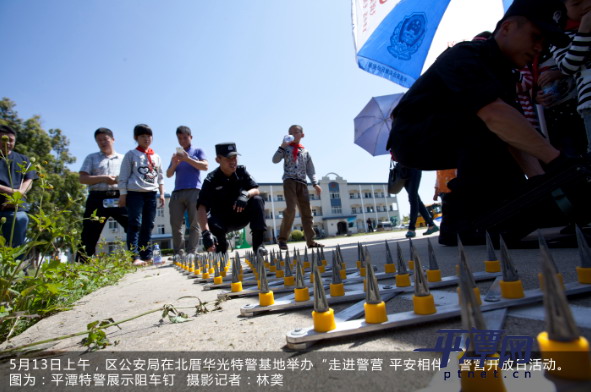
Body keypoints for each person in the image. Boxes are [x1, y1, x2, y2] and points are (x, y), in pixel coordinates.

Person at [386, 0, 583, 246]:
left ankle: (495, 215)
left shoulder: (505, 73)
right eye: (535, 36)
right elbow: (494, 116)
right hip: (413, 138)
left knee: (507, 140)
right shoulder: (467, 54)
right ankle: (459, 222)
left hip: (455, 132)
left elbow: (517, 135)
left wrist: (545, 185)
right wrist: (560, 163)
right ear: (508, 27)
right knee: (491, 124)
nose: (539, 47)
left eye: (544, 42)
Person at [197, 143, 267, 255]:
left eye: (235, 157)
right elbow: (201, 207)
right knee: (210, 221)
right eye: (228, 158)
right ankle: (221, 248)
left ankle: (258, 246)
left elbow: (256, 189)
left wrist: (245, 195)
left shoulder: (241, 171)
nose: (233, 161)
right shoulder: (211, 179)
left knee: (257, 200)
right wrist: (205, 233)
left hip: (241, 215)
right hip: (222, 222)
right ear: (218, 159)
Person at [77, 128, 128, 262]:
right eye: (99, 140)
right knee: (89, 232)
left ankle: (140, 256)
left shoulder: (124, 159)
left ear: (112, 139)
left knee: (133, 225)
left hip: (120, 196)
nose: (102, 142)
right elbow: (82, 179)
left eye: (105, 139)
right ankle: (83, 264)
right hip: (97, 197)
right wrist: (104, 178)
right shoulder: (91, 158)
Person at [118, 124, 165, 265]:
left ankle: (147, 255)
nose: (146, 139)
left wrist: (162, 193)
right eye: (142, 136)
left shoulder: (156, 156)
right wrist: (123, 195)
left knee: (148, 224)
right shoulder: (131, 155)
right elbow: (123, 176)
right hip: (135, 193)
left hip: (151, 193)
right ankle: (134, 257)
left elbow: (160, 176)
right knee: (134, 224)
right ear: (136, 138)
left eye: (149, 136)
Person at [272, 125, 323, 250]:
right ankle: (282, 239)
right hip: (289, 181)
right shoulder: (286, 148)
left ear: (302, 135)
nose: (293, 134)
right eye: (290, 133)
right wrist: (282, 145)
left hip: (302, 183)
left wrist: (315, 183)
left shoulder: (305, 152)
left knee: (307, 212)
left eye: (296, 132)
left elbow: (311, 169)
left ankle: (311, 241)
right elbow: (275, 160)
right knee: (291, 209)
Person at [550, 0, 591, 153]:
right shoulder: (560, 36)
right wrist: (585, 28)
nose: (585, 5)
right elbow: (568, 66)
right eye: (576, 3)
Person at [166, 126, 208, 255]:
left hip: (194, 190)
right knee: (176, 224)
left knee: (194, 224)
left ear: (191, 137)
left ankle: (192, 252)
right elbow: (168, 174)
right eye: (179, 138)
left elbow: (205, 166)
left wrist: (187, 159)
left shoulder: (197, 151)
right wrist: (174, 163)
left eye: (185, 137)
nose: (182, 141)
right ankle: (178, 252)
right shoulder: (176, 155)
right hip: (177, 192)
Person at [0, 125, 36, 248]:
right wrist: (10, 191)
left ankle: (16, 265)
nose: (8, 143)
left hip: (16, 208)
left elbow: (29, 179)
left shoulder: (23, 159)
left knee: (21, 219)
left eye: (11, 140)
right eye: (4, 139)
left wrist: (19, 193)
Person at [402, 166, 438, 238]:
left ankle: (411, 228)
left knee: (413, 199)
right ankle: (431, 225)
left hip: (413, 167)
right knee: (416, 199)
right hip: (403, 170)